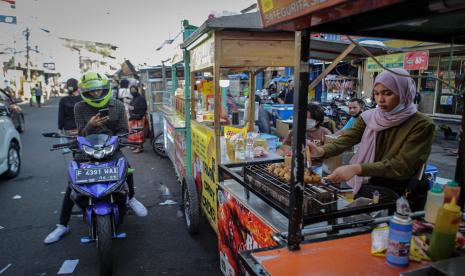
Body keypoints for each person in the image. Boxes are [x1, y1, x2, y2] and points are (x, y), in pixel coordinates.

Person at [43, 72, 148, 244]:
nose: (96, 94)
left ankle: (132, 198)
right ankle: (62, 225)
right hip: (86, 150)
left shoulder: (118, 106)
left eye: (99, 90)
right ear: (85, 92)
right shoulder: (79, 107)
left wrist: (116, 140)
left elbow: (123, 131)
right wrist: (91, 125)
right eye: (91, 91)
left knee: (126, 168)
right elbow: (81, 134)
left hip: (111, 149)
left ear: (105, 88)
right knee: (73, 184)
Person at [309, 69, 435, 210]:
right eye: (376, 93)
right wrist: (320, 151)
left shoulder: (422, 124)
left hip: (403, 191)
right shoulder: (369, 117)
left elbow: (402, 166)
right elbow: (346, 139)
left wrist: (356, 168)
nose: (380, 99)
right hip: (371, 184)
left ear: (404, 93)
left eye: (388, 93)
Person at [127, 85, 147, 153]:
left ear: (137, 90)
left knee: (139, 133)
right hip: (134, 118)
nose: (132, 91)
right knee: (134, 133)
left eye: (134, 90)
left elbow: (144, 108)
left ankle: (140, 147)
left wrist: (134, 108)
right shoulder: (133, 98)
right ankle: (135, 146)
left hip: (139, 118)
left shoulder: (141, 98)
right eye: (131, 90)